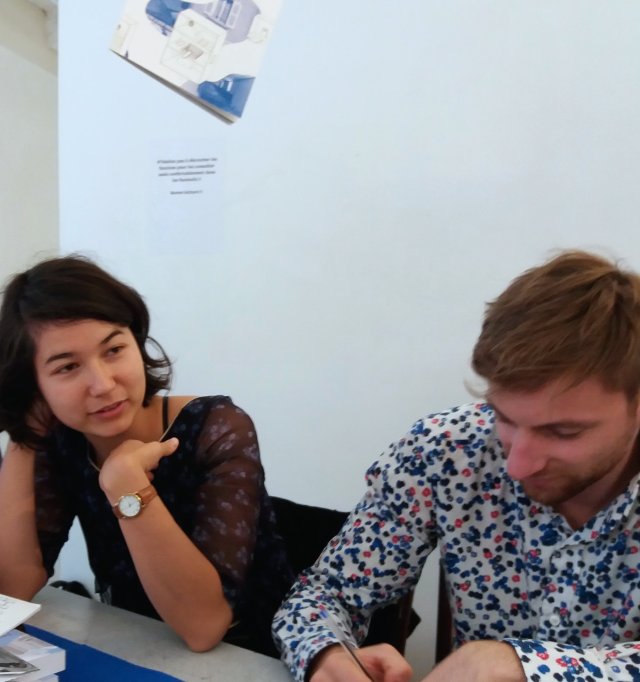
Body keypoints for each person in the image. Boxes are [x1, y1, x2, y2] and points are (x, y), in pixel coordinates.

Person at [273, 249, 640, 682]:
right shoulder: (446, 450)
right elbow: (323, 596)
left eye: (563, 432)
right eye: (504, 417)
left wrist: (522, 666)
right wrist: (327, 656)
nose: (518, 466)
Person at [0, 254, 293, 656]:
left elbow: (204, 627)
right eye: (67, 367)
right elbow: (12, 589)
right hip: (132, 645)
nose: (103, 384)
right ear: (35, 385)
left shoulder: (218, 428)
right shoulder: (60, 440)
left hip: (253, 656)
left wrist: (127, 487)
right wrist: (24, 431)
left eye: (114, 350)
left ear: (137, 344)